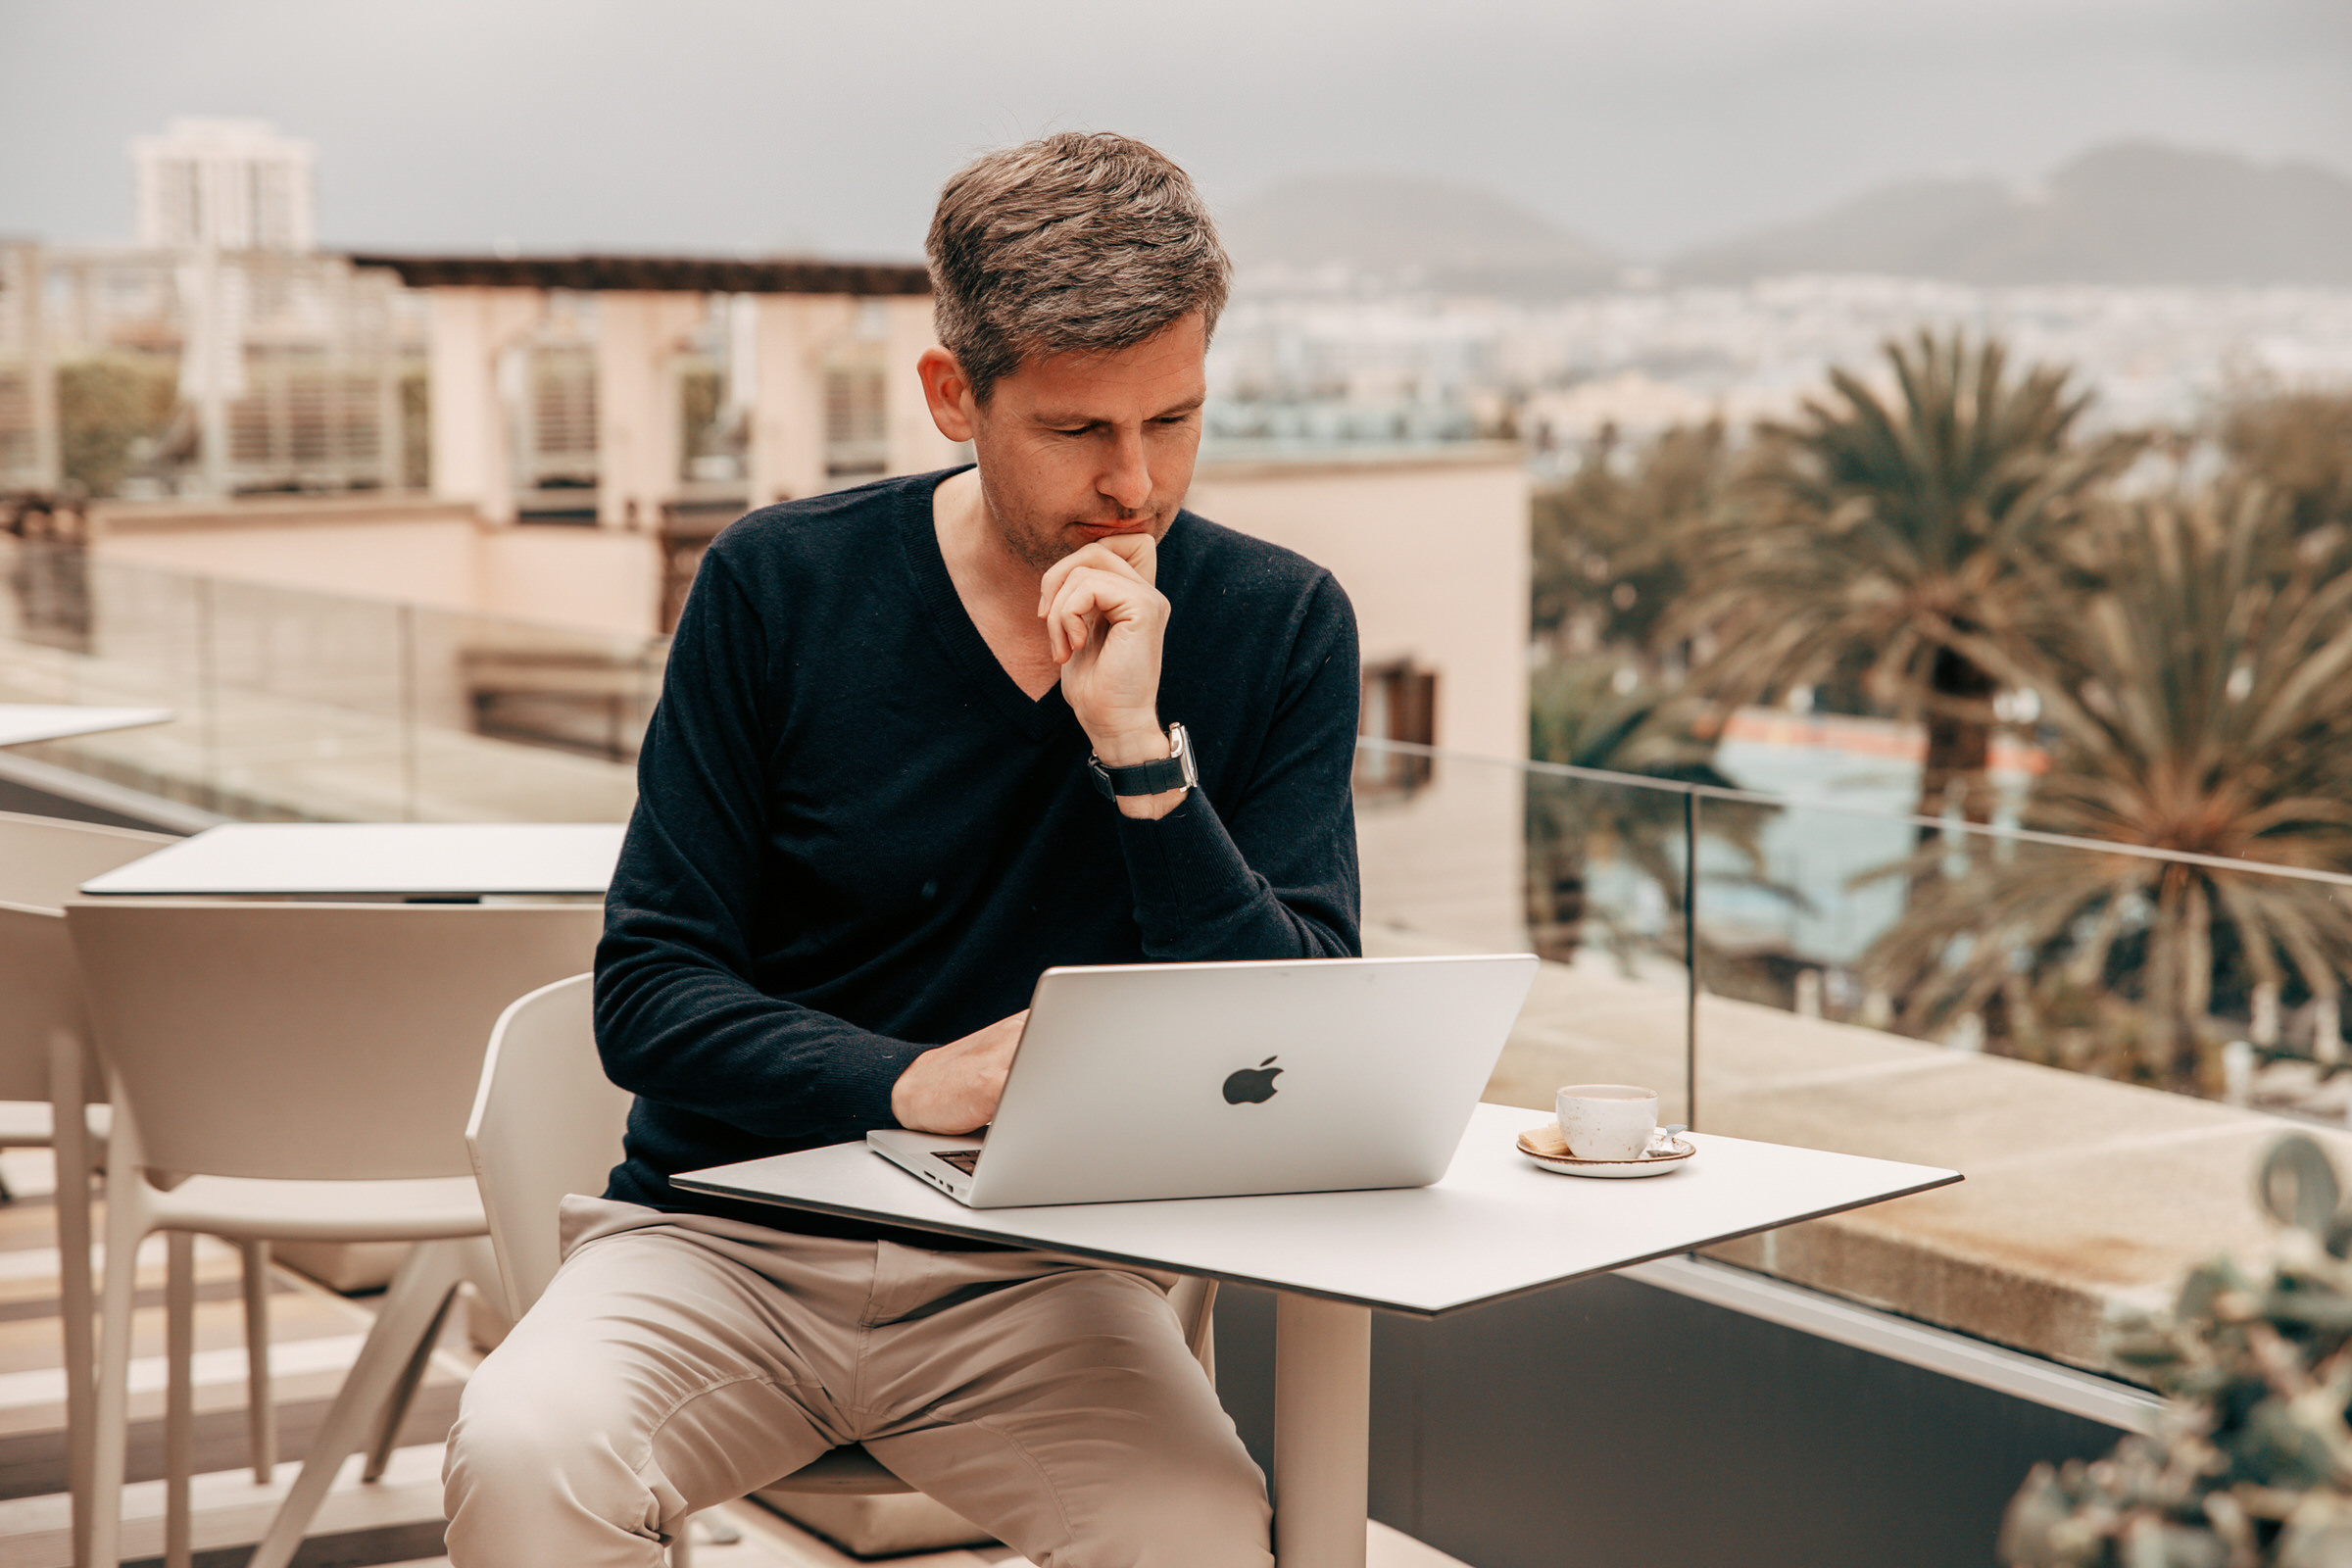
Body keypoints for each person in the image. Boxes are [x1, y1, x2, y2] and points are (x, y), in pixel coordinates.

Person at [442, 130, 1361, 1567]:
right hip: (722, 1244)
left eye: (1172, 420)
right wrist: (910, 1084)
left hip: (1045, 1280)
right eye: (1078, 431)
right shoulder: (776, 586)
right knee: (522, 1455)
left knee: (1199, 1533)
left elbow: (1299, 1036)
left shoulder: (1281, 623)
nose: (1137, 486)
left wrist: (1139, 762)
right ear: (954, 397)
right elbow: (650, 989)